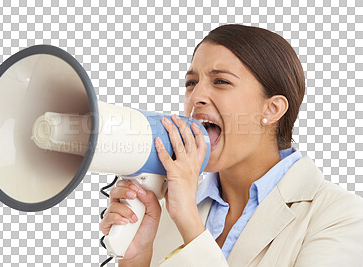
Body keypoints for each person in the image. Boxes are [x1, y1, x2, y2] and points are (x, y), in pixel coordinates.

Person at [100, 24, 363, 266]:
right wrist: (137, 259)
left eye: (221, 81)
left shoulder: (340, 216)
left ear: (272, 109)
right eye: (191, 83)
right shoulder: (172, 210)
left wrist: (191, 227)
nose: (196, 97)